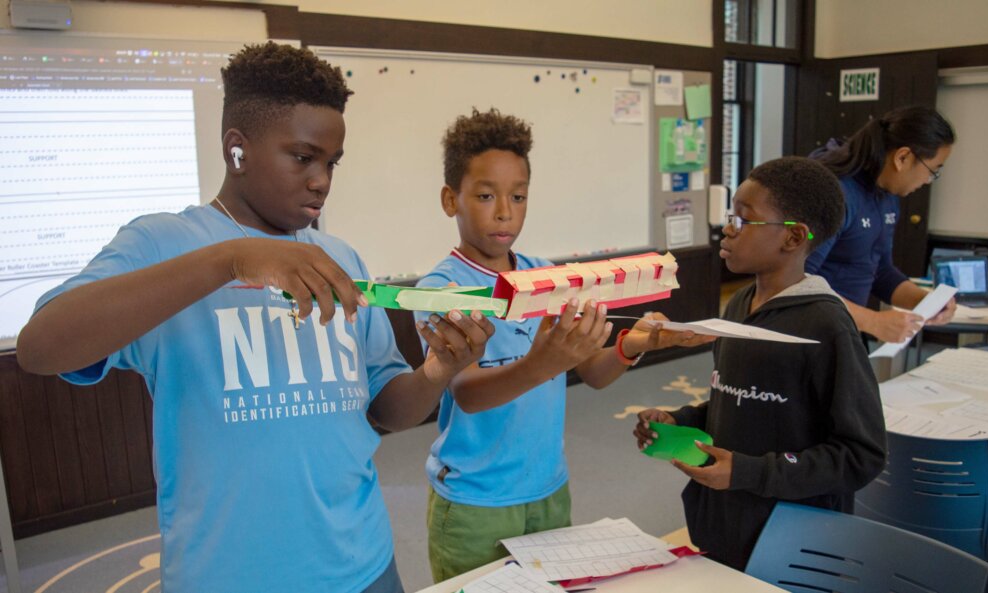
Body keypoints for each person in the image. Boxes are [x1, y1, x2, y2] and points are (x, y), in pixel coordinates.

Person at [16, 42, 495, 593]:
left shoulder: (341, 259)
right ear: (237, 151)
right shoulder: (164, 242)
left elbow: (385, 411)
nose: (322, 180)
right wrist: (232, 258)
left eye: (331, 163)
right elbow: (41, 348)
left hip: (362, 564)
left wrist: (438, 371)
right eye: (303, 157)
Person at [416, 108, 714, 582]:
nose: (504, 212)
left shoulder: (548, 276)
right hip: (476, 499)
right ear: (451, 199)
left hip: (549, 489)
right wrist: (541, 362)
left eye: (518, 196)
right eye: (486, 195)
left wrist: (634, 344)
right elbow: (467, 394)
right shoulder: (444, 288)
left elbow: (592, 373)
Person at [633, 156, 886, 570]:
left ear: (793, 238)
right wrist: (681, 419)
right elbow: (739, 403)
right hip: (724, 525)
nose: (728, 229)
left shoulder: (826, 325)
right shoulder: (737, 305)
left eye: (744, 220)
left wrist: (752, 472)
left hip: (792, 542)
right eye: (731, 216)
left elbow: (861, 455)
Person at [807, 105, 957, 344]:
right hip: (809, 337)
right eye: (932, 171)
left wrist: (924, 301)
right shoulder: (834, 192)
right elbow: (795, 282)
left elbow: (879, 271)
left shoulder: (887, 196)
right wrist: (871, 321)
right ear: (903, 157)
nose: (928, 181)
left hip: (845, 334)